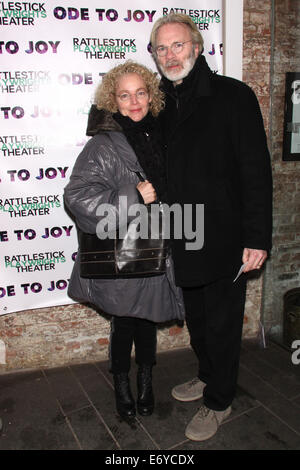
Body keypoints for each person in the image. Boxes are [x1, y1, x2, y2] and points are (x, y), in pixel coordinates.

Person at [150, 14, 273, 441]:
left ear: (197, 48)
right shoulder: (158, 104)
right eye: (161, 49)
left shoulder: (233, 97)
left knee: (222, 323)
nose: (170, 55)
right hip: (184, 234)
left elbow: (256, 171)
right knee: (198, 319)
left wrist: (257, 238)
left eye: (178, 45)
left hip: (225, 236)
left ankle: (220, 400)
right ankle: (207, 375)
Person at [64, 61, 184, 420]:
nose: (134, 102)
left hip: (160, 246)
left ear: (152, 95)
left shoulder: (164, 134)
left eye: (141, 93)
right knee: (125, 325)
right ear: (113, 101)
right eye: (124, 95)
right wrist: (132, 194)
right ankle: (122, 384)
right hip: (123, 250)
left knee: (148, 322)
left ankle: (146, 380)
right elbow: (77, 197)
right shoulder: (103, 145)